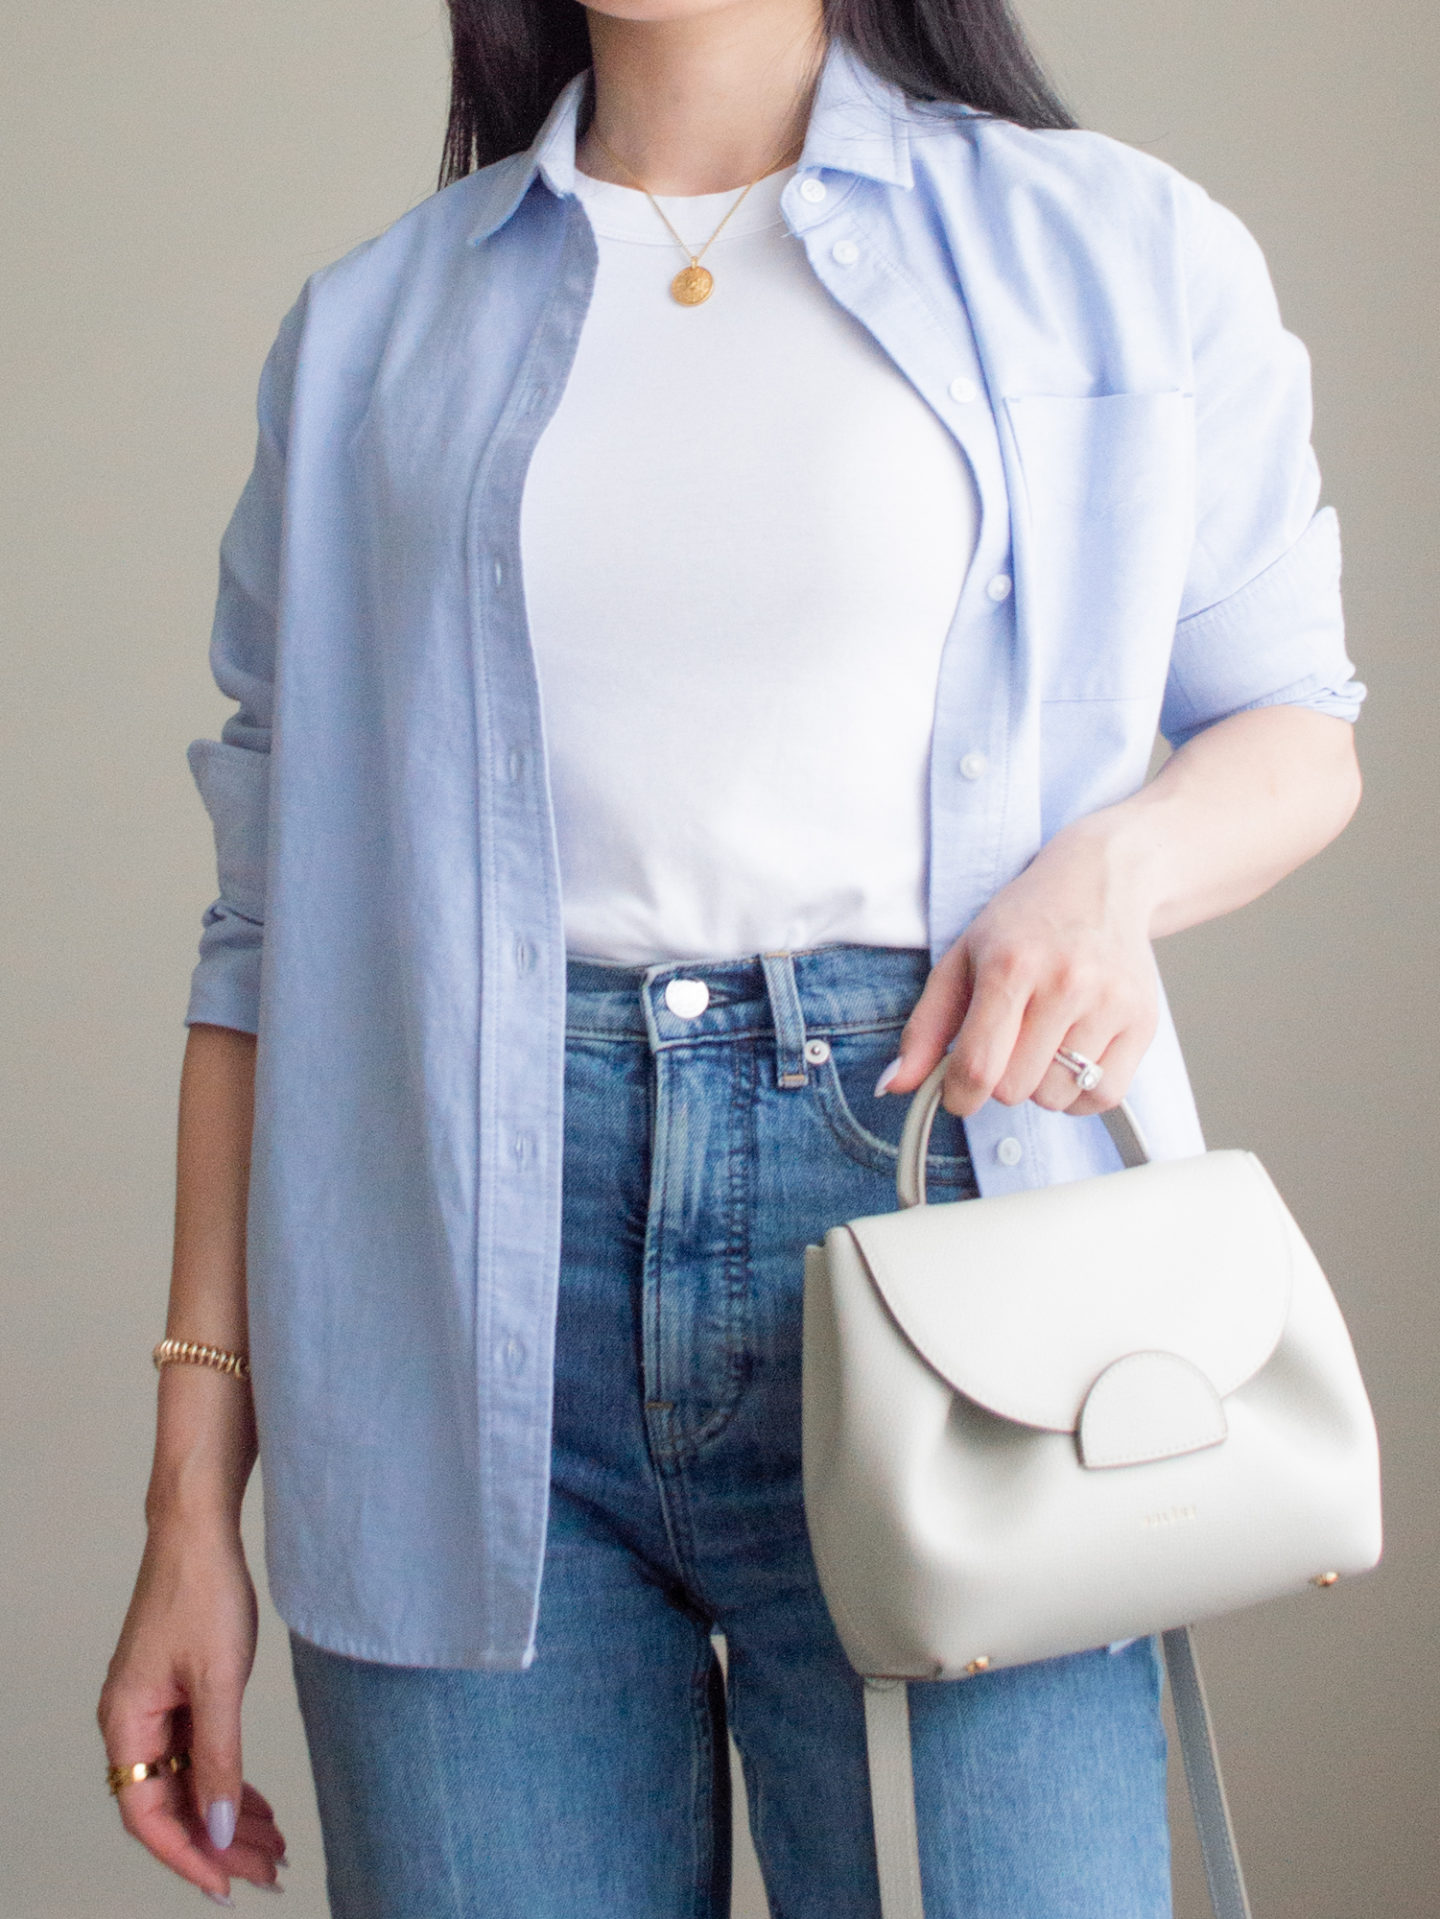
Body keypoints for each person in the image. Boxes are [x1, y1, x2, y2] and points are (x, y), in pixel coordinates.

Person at [97, 0, 1365, 1912]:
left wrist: (1116, 867)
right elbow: (265, 942)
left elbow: (1295, 729)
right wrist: (190, 1502)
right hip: (446, 1324)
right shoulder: (368, 334)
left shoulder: (1112, 247)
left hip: (950, 1247)